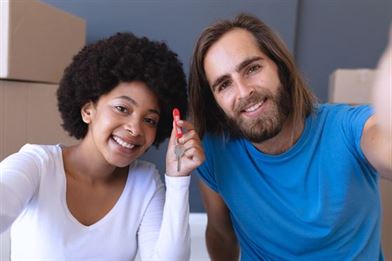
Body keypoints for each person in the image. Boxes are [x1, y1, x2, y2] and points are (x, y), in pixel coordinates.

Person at [188, 13, 391, 260]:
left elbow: (383, 143)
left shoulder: (348, 128)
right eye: (224, 84)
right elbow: (221, 235)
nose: (243, 92)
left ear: (280, 67)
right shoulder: (213, 152)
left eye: (252, 68)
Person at [0, 32, 205, 260]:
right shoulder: (36, 165)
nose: (135, 129)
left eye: (150, 120)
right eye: (122, 108)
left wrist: (178, 180)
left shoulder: (145, 182)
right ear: (88, 110)